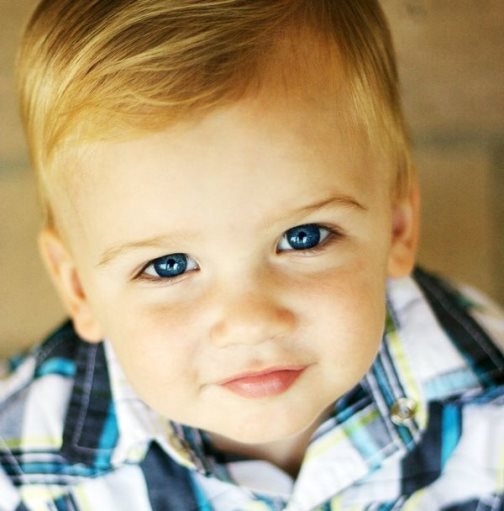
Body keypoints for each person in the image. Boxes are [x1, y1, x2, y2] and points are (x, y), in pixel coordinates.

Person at [1, 0, 503, 509]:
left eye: (304, 236)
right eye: (168, 265)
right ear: (79, 287)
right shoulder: (21, 468)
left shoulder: (491, 416)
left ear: (398, 226)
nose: (250, 322)